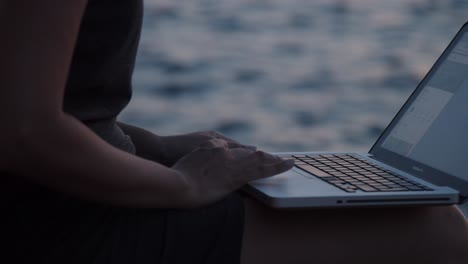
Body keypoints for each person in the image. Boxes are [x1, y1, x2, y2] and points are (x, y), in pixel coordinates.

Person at [0, 1, 467, 263]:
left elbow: (59, 104)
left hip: (60, 203)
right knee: (434, 231)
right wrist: (181, 184)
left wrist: (156, 147)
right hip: (55, 229)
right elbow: (25, 131)